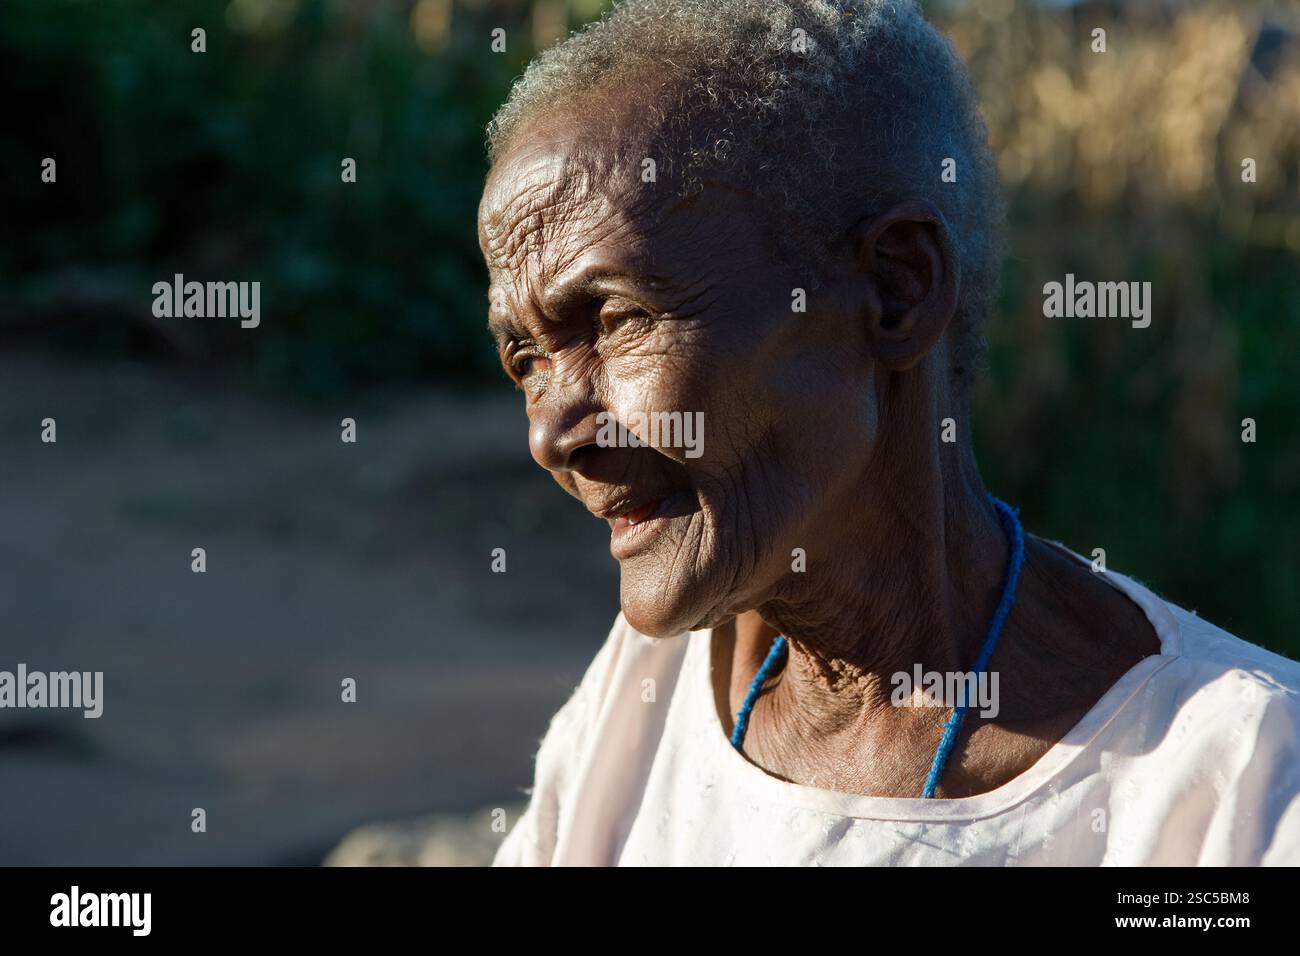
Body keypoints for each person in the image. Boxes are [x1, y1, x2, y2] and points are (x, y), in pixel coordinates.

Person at [476, 0, 1300, 865]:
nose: (551, 433)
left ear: (897, 291)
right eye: (524, 356)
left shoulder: (1235, 783)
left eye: (615, 318)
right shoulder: (644, 704)